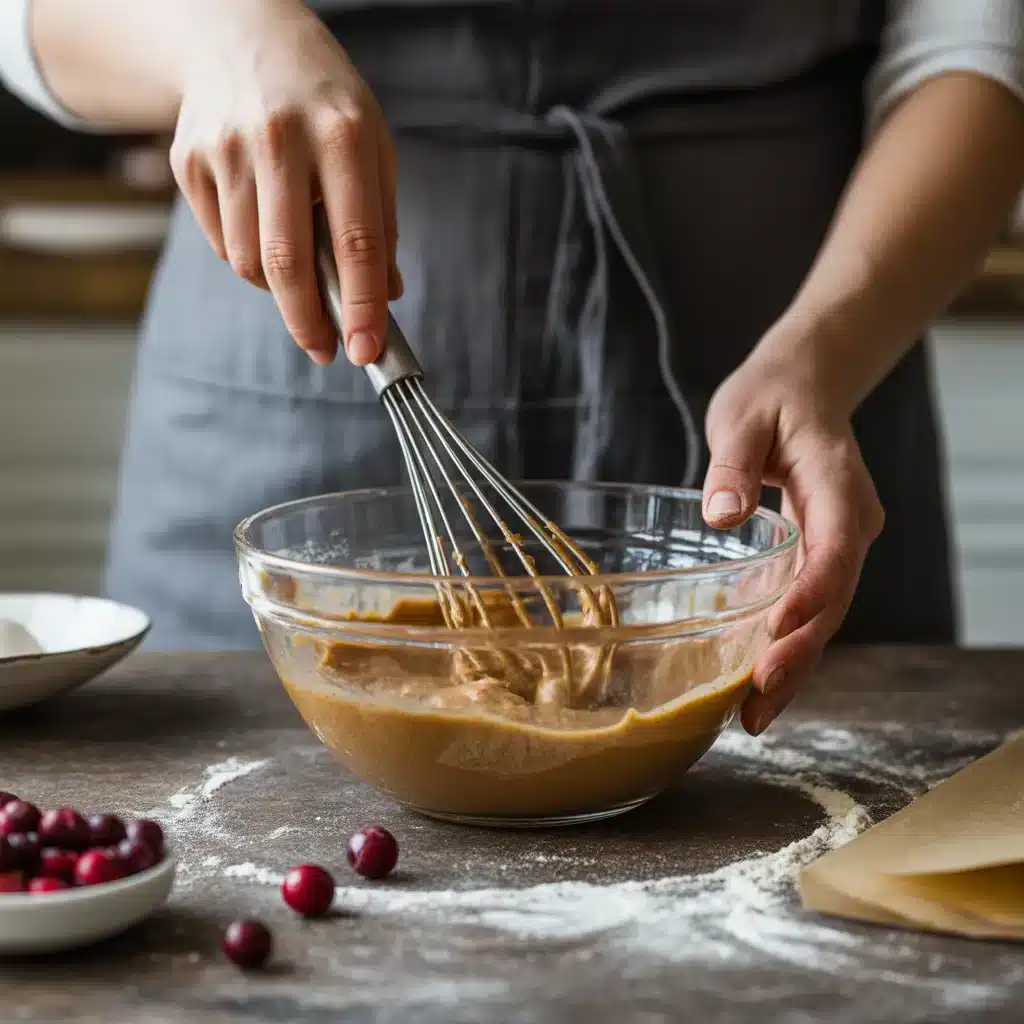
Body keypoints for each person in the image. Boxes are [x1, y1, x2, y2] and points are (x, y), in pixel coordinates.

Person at [2, 1, 1023, 736]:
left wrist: (825, 351)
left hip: (795, 391)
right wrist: (213, 31)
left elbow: (971, 34)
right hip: (276, 399)